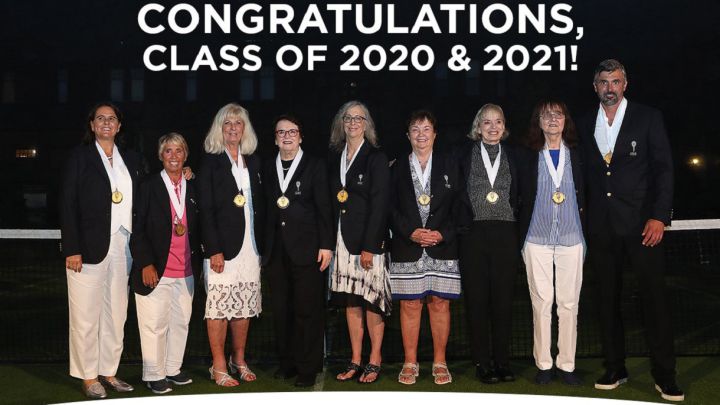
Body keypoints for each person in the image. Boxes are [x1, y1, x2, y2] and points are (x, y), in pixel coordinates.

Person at [578, 59, 683, 401]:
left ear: (625, 85)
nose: (610, 87)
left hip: (643, 227)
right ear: (595, 87)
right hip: (601, 228)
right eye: (604, 82)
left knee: (655, 301)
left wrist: (659, 216)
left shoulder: (648, 117)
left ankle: (665, 374)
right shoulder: (582, 122)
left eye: (616, 81)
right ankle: (614, 367)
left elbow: (664, 170)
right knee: (606, 301)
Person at [60, 102, 141, 399]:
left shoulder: (131, 159)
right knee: (85, 316)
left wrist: (185, 172)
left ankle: (109, 371)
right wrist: (72, 248)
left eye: (112, 119)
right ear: (92, 125)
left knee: (116, 314)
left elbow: (145, 195)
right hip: (87, 249)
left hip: (123, 246)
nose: (106, 123)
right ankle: (88, 376)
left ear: (119, 126)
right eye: (100, 119)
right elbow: (67, 204)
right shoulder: (79, 157)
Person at [389, 110, 463, 385]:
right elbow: (389, 207)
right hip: (408, 245)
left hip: (441, 246)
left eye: (426, 129)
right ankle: (410, 362)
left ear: (435, 134)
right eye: (415, 129)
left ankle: (440, 362)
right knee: (409, 305)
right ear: (408, 135)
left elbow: (460, 207)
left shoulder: (451, 164)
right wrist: (410, 232)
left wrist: (442, 234)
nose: (421, 134)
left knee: (440, 303)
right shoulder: (395, 167)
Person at [517, 100, 585, 385]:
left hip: (572, 237)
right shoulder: (528, 156)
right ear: (539, 122)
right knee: (542, 302)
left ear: (566, 120)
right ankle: (544, 364)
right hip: (536, 238)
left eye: (558, 114)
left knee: (568, 304)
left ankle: (567, 365)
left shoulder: (580, 155)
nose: (553, 119)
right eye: (546, 115)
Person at [263, 115, 333, 387]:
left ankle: (308, 366)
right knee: (282, 310)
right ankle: (288, 362)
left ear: (301, 137)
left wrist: (326, 245)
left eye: (292, 131)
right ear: (275, 138)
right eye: (281, 132)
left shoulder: (315, 165)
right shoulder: (268, 166)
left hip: (308, 248)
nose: (287, 136)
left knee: (307, 310)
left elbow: (325, 208)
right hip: (276, 250)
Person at [198, 103, 265, 387]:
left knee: (243, 306)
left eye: (238, 124)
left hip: (251, 247)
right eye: (228, 124)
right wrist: (213, 248)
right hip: (222, 250)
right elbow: (205, 208)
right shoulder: (210, 163)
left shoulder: (255, 161)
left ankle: (239, 360)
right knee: (218, 308)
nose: (234, 128)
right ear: (220, 129)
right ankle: (219, 365)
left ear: (245, 129)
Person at [129, 133, 199, 394]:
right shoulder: (147, 186)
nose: (173, 156)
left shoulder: (193, 184)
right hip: (156, 269)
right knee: (154, 325)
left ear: (185, 155)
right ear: (160, 156)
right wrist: (145, 263)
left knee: (180, 322)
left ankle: (172, 368)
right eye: (168, 151)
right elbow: (138, 229)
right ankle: (154, 374)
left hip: (186, 269)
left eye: (178, 151)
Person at [328, 100, 392, 383]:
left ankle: (374, 360)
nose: (353, 123)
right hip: (341, 242)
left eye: (358, 118)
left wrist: (371, 245)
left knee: (372, 302)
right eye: (348, 118)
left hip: (367, 245)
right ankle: (355, 359)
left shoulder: (376, 157)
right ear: (341, 124)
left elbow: (380, 205)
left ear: (367, 124)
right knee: (351, 302)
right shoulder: (335, 156)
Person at [457, 103, 519, 384]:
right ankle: (482, 362)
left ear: (504, 127)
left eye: (498, 122)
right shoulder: (463, 155)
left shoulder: (516, 156)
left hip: (506, 234)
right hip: (474, 236)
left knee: (503, 302)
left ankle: (503, 362)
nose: (493, 128)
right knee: (478, 302)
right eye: (487, 123)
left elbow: (522, 194)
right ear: (477, 127)